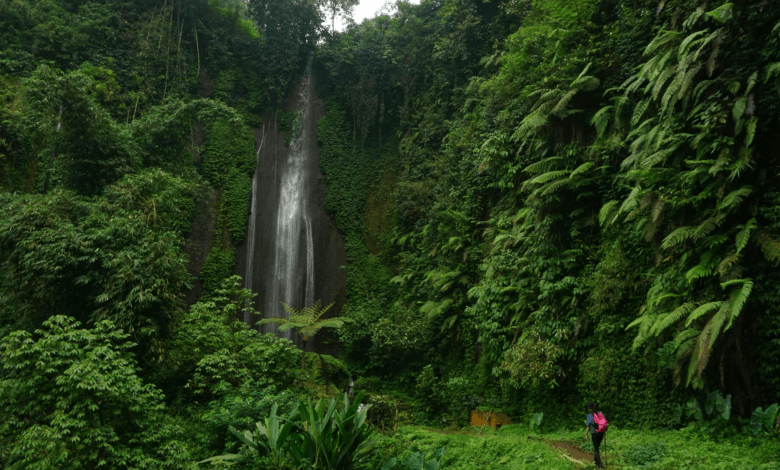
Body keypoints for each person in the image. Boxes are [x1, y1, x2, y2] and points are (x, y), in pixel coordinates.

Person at [585, 401, 605, 469]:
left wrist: (586, 434)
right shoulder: (600, 412)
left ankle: (600, 464)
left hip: (594, 433)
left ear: (589, 408)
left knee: (596, 448)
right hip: (601, 432)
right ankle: (595, 461)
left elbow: (588, 426)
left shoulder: (590, 415)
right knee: (597, 446)